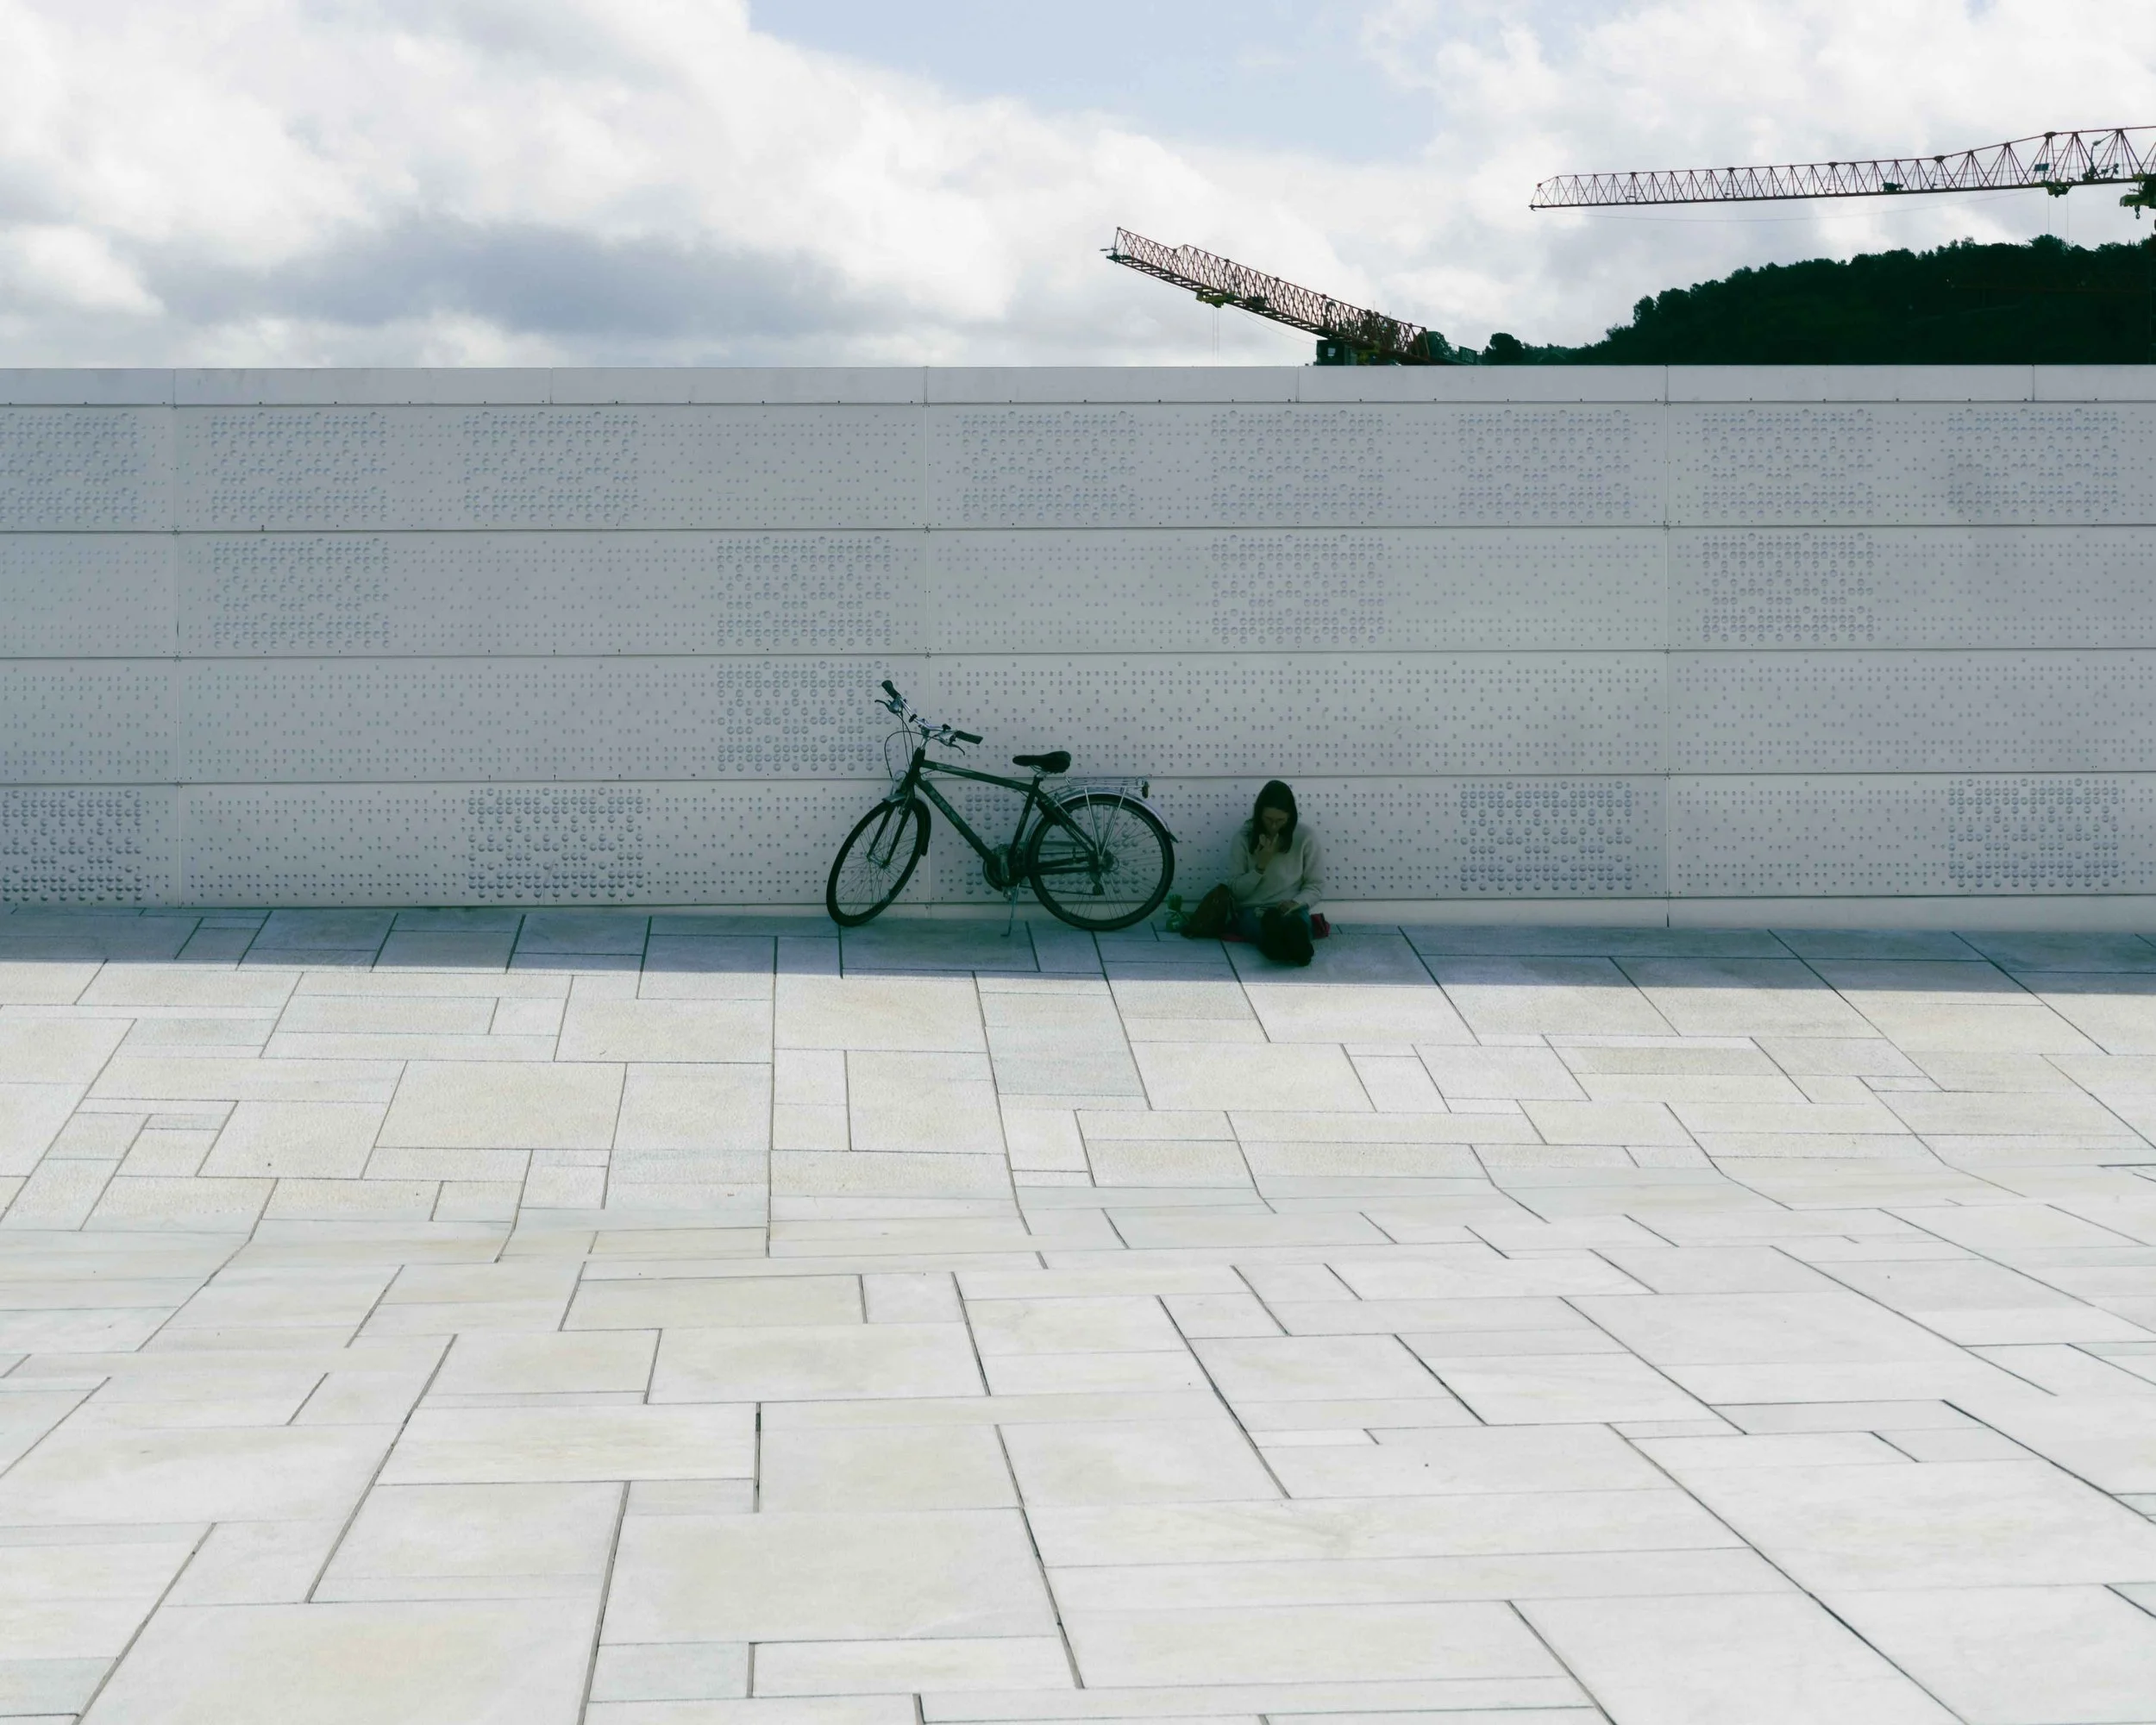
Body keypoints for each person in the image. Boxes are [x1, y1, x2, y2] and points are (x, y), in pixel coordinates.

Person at [1181, 780, 1322, 962]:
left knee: (1296, 925)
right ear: (1259, 815)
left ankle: (1291, 947)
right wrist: (1261, 866)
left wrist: (1295, 902)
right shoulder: (1243, 838)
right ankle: (1282, 947)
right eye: (1268, 820)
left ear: (1291, 817)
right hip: (1255, 909)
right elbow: (1237, 891)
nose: (1273, 826)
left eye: (1280, 821)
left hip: (1292, 908)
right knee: (1265, 926)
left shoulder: (1305, 837)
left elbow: (1315, 885)